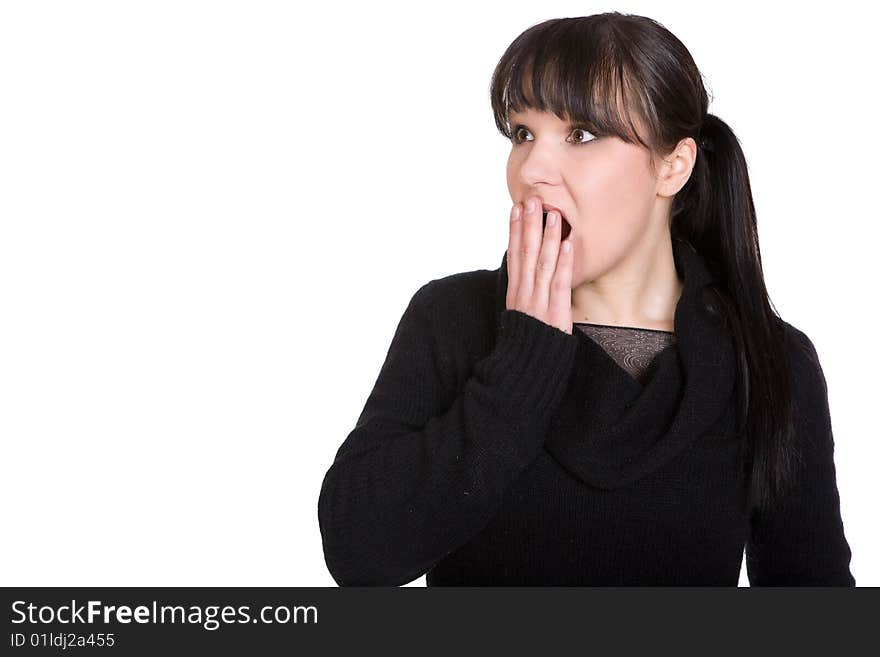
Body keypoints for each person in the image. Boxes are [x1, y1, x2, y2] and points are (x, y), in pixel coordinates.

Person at [317, 12, 855, 586]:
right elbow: (359, 554)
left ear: (673, 166)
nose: (532, 169)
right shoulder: (453, 319)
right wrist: (526, 360)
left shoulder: (768, 359)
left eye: (581, 135)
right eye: (523, 134)